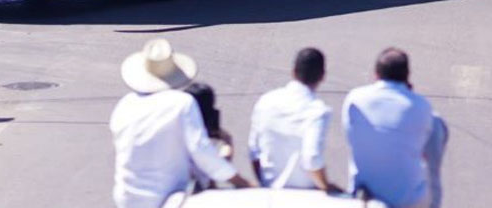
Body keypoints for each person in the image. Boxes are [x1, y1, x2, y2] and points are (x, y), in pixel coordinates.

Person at [110, 39, 252, 208]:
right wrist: (242, 182)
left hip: (126, 198)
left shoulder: (125, 104)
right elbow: (201, 152)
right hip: (165, 198)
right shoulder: (181, 102)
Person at [342, 48, 438, 208]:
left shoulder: (354, 99)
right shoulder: (421, 106)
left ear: (376, 74)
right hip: (409, 200)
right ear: (407, 76)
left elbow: (351, 137)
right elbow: (423, 148)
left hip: (364, 197)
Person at [248, 48, 339, 192]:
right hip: (304, 195)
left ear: (293, 72)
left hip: (269, 192)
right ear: (322, 76)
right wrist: (326, 186)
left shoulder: (265, 101)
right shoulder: (317, 111)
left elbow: (254, 151)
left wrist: (264, 184)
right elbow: (312, 159)